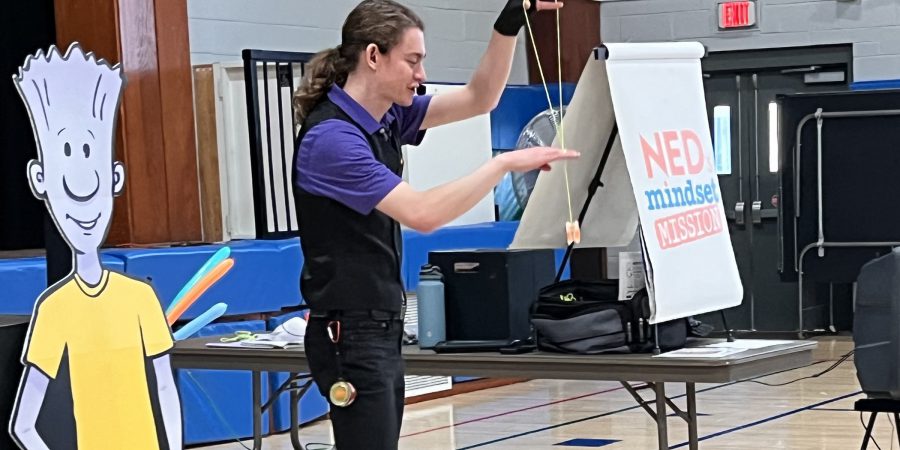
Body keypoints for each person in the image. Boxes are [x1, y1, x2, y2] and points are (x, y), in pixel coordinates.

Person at [291, 1, 574, 448]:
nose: (421, 74)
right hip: (350, 333)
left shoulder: (386, 116)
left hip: (379, 326)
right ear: (372, 56)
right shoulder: (333, 139)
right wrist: (501, 166)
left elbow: (481, 97)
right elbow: (423, 214)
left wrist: (509, 21)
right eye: (413, 60)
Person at [10, 44, 182, 450]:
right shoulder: (55, 308)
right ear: (40, 180)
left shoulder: (140, 298)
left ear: (115, 177)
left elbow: (166, 391)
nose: (82, 190)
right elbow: (23, 424)